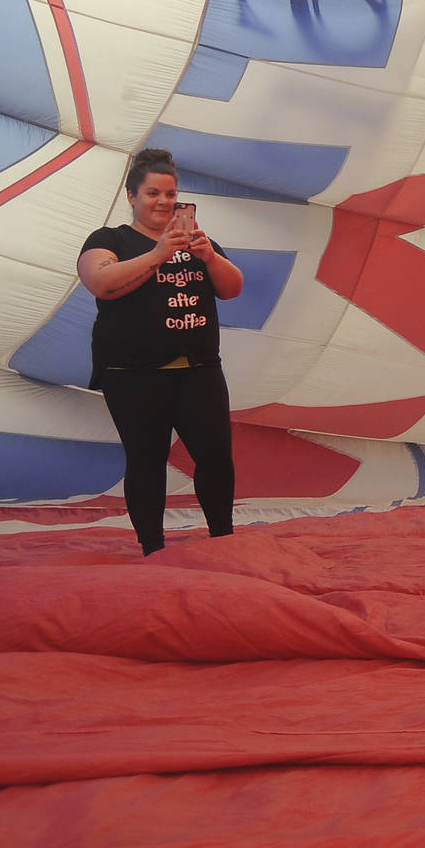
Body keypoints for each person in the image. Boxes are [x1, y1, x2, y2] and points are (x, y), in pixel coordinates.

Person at [76, 148, 244, 556]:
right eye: (153, 193)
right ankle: (153, 547)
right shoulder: (110, 239)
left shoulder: (200, 242)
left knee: (216, 456)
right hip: (133, 373)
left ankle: (223, 536)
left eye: (171, 194)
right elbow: (99, 281)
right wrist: (157, 254)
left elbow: (232, 288)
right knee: (146, 459)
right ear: (132, 196)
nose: (164, 202)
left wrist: (209, 256)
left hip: (199, 369)